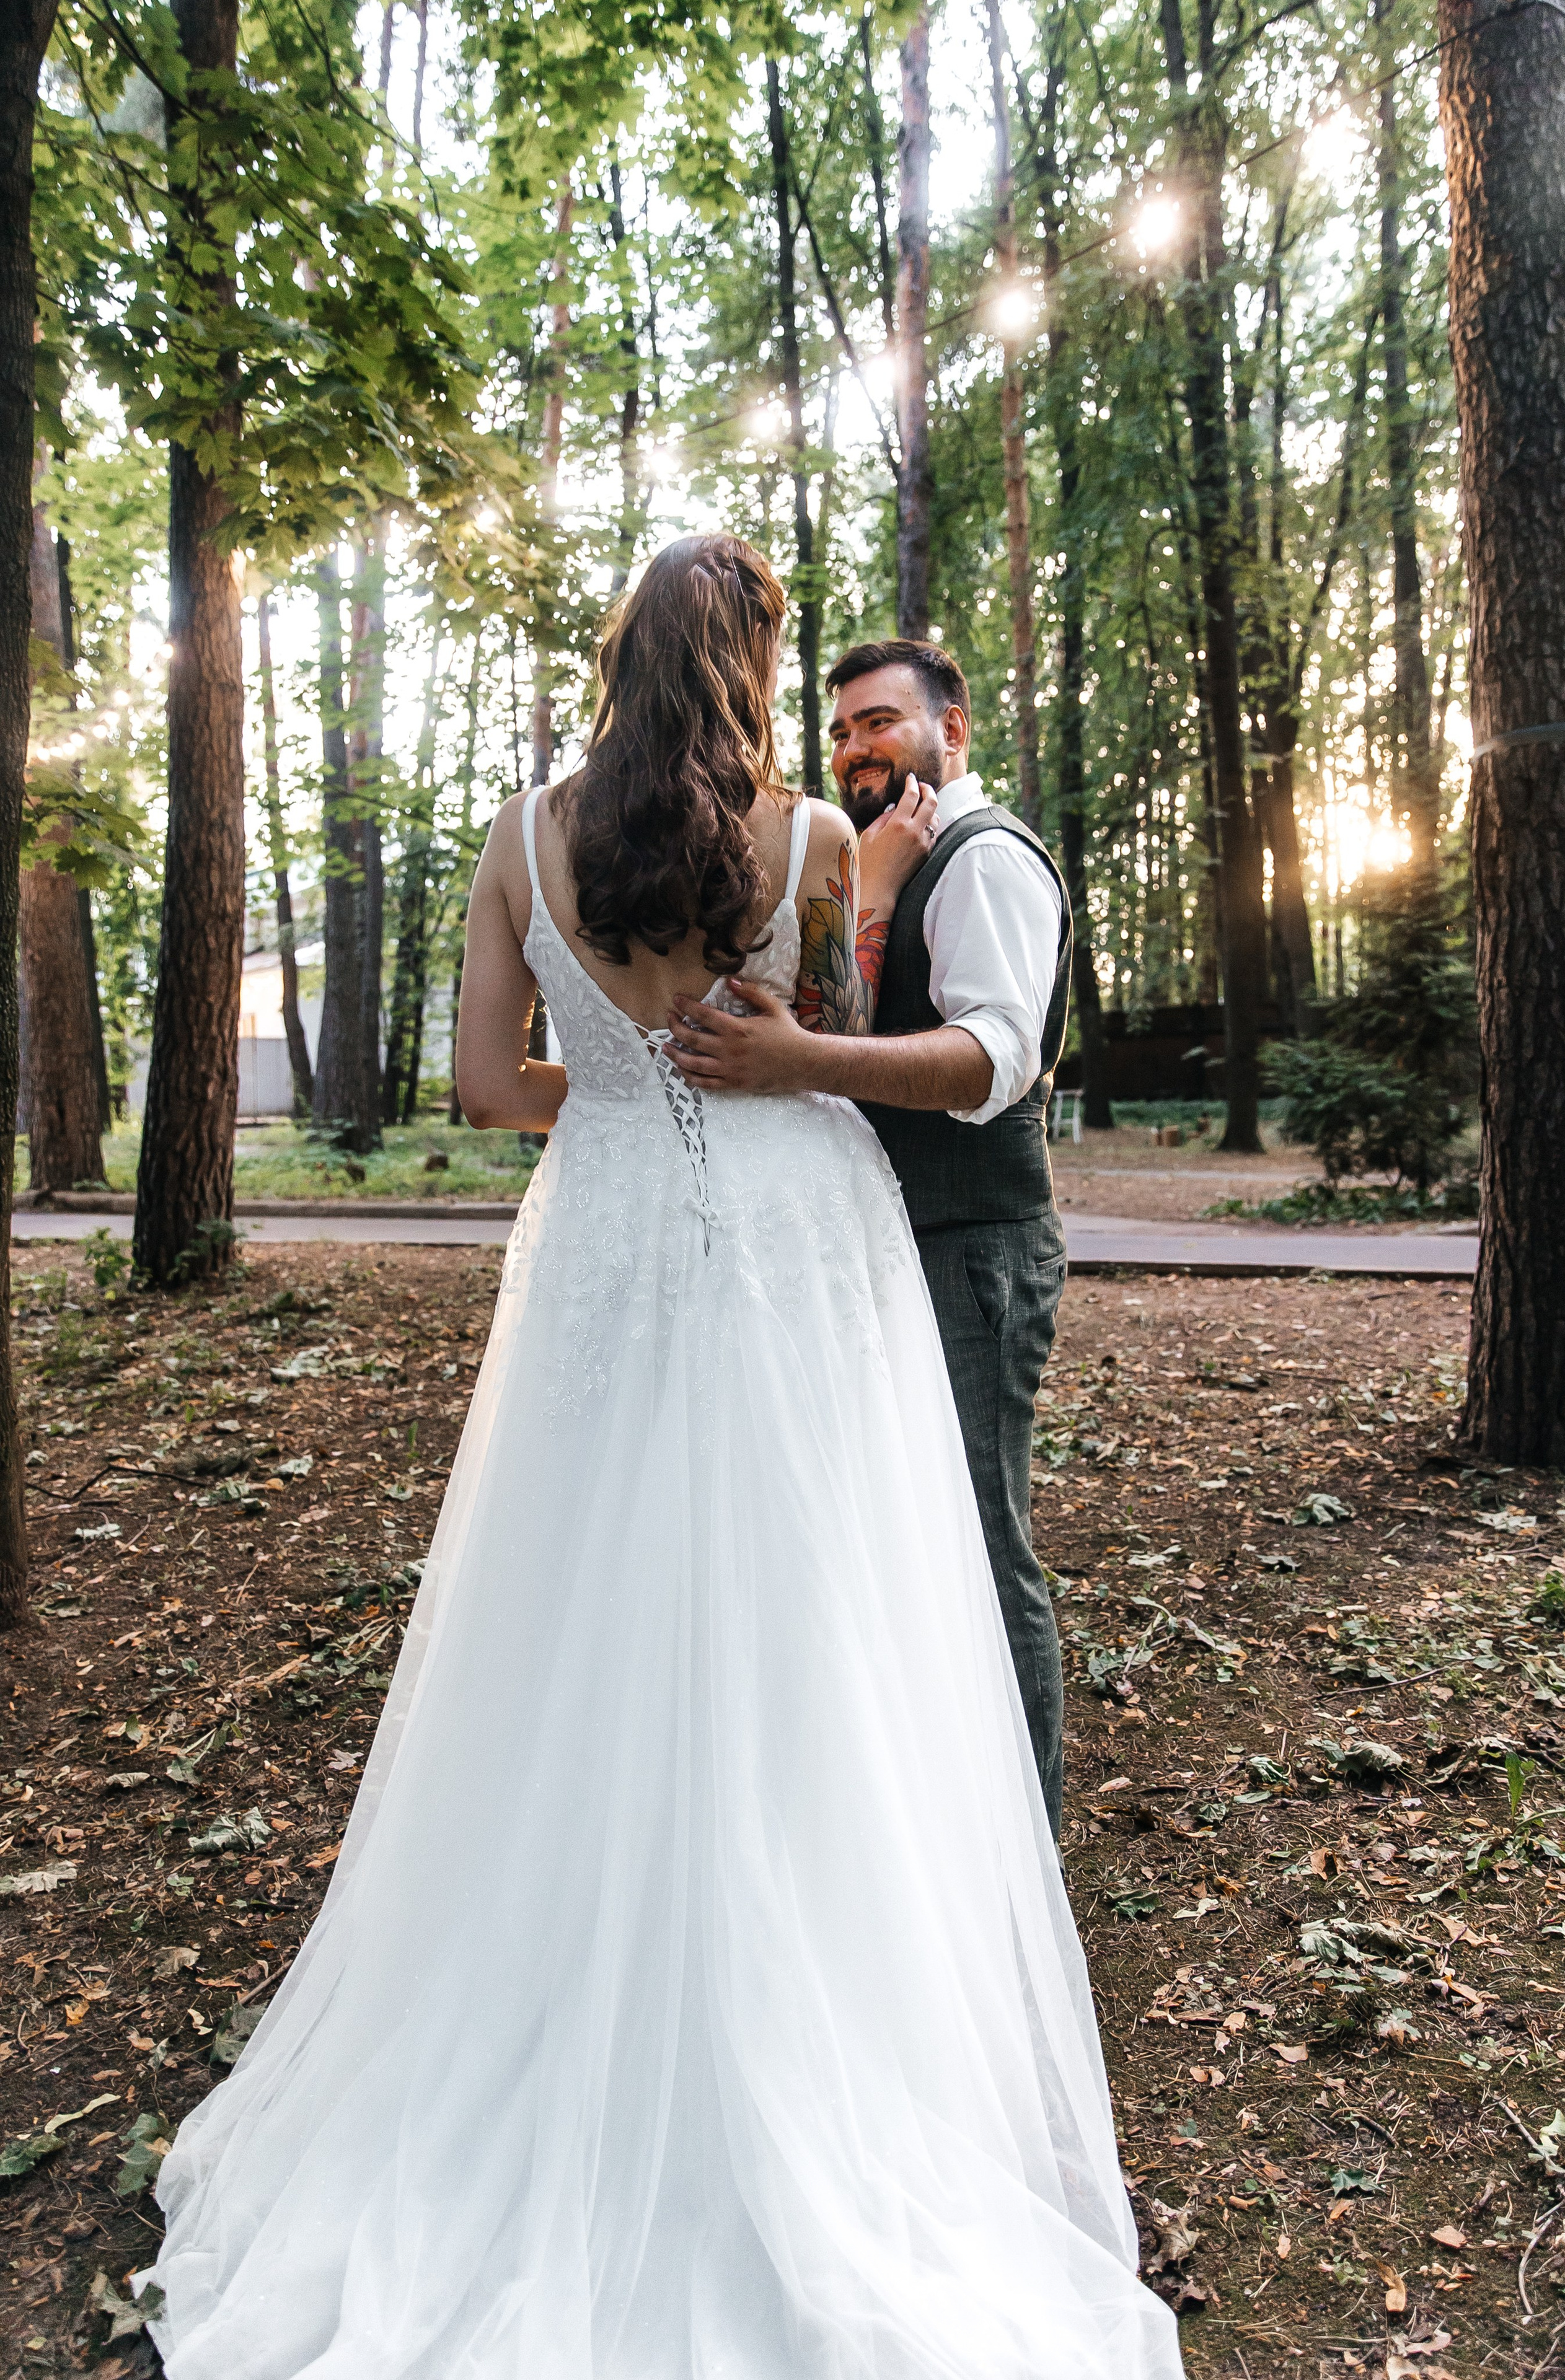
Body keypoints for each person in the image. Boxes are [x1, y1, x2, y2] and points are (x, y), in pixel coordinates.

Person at [141, 537, 1181, 2380]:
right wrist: (785, 996)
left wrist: (615, 1087)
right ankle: (818, 1999)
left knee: (577, 1601)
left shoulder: (518, 838)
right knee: (813, 1602)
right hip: (795, 1237)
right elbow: (819, 1048)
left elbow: (488, 1088)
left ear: (622, 660)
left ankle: (560, 1989)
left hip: (601, 1231)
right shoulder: (814, 841)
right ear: (750, 669)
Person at [667, 639, 1072, 1835]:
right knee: (906, 1541)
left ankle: (1022, 1855)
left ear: (953, 728)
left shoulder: (984, 857)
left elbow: (994, 1059)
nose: (856, 748)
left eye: (882, 721)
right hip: (886, 1247)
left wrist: (806, 1060)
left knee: (981, 1549)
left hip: (969, 1246)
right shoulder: (883, 853)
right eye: (842, 729)